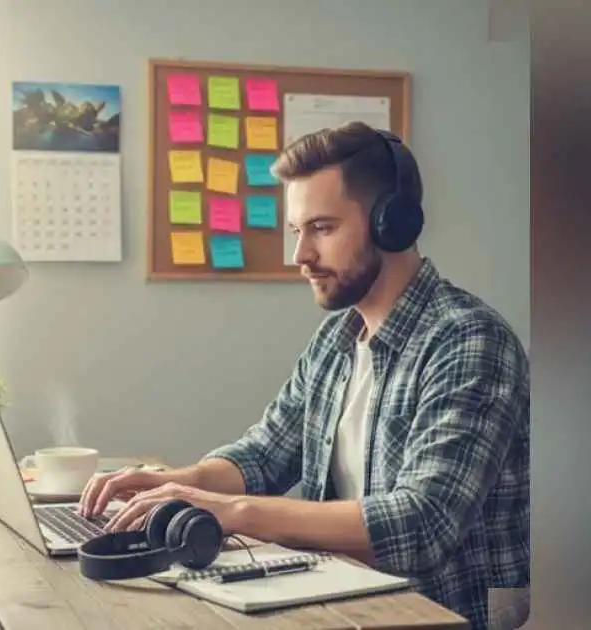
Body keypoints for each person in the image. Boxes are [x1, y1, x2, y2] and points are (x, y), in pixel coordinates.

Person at [78, 121, 530, 630]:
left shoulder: (471, 341)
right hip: (341, 605)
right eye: (297, 231)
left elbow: (423, 522)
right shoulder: (337, 338)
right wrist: (180, 483)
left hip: (439, 615)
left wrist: (232, 511)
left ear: (392, 223)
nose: (300, 257)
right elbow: (266, 452)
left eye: (322, 228)